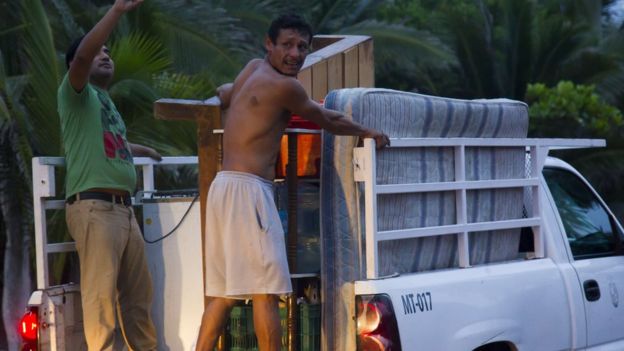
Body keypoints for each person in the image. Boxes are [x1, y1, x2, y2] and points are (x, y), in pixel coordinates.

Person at [195, 13, 390, 351]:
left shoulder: (251, 68)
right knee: (266, 292)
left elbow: (225, 93)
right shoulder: (288, 86)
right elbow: (327, 118)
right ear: (269, 45)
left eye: (303, 47)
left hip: (223, 186)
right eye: (287, 45)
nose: (296, 53)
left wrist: (220, 94)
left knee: (223, 295)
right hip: (249, 191)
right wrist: (368, 132)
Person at [57, 0, 161, 350]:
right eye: (97, 51)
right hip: (95, 208)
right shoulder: (75, 94)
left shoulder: (105, 101)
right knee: (101, 307)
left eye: (108, 51)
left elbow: (112, 141)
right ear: (76, 65)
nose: (105, 54)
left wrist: (143, 150)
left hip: (123, 211)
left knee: (138, 303)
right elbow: (84, 57)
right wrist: (117, 11)